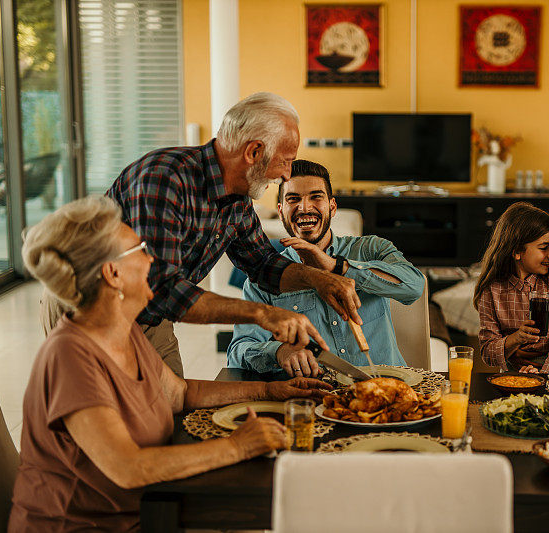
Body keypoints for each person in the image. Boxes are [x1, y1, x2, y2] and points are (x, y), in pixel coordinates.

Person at [9, 196, 331, 531]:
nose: (153, 259)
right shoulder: (70, 357)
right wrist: (238, 445)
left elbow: (181, 393)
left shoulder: (125, 329)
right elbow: (129, 467)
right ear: (113, 273)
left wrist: (271, 390)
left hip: (145, 512)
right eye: (140, 250)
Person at [105, 92, 361, 377]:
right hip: (98, 313)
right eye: (285, 161)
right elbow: (161, 289)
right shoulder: (165, 179)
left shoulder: (238, 199)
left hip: (152, 319)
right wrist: (263, 314)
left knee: (169, 415)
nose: (287, 175)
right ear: (253, 152)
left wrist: (319, 278)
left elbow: (263, 264)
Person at [228, 160, 425, 377]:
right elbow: (238, 352)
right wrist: (279, 351)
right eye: (293, 199)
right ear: (281, 210)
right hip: (317, 398)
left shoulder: (371, 248)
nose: (304, 208)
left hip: (388, 389)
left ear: (332, 207)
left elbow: (414, 286)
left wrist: (337, 266)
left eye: (316, 197)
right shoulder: (265, 277)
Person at [473, 202, 549, 375]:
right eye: (544, 248)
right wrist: (515, 339)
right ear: (516, 252)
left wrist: (544, 376)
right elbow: (487, 352)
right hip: (513, 375)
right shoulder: (492, 289)